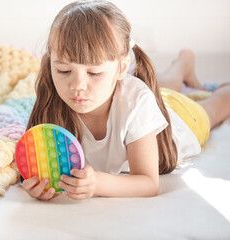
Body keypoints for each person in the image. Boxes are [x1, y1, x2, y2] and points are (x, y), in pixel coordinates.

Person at [21, 0, 230, 200]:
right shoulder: (53, 97)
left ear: (122, 68)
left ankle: (185, 63)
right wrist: (40, 187)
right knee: (162, 88)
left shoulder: (137, 103)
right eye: (64, 70)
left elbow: (148, 183)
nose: (77, 85)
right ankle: (183, 63)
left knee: (215, 106)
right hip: (147, 98)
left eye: (93, 73)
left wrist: (98, 184)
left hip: (180, 117)